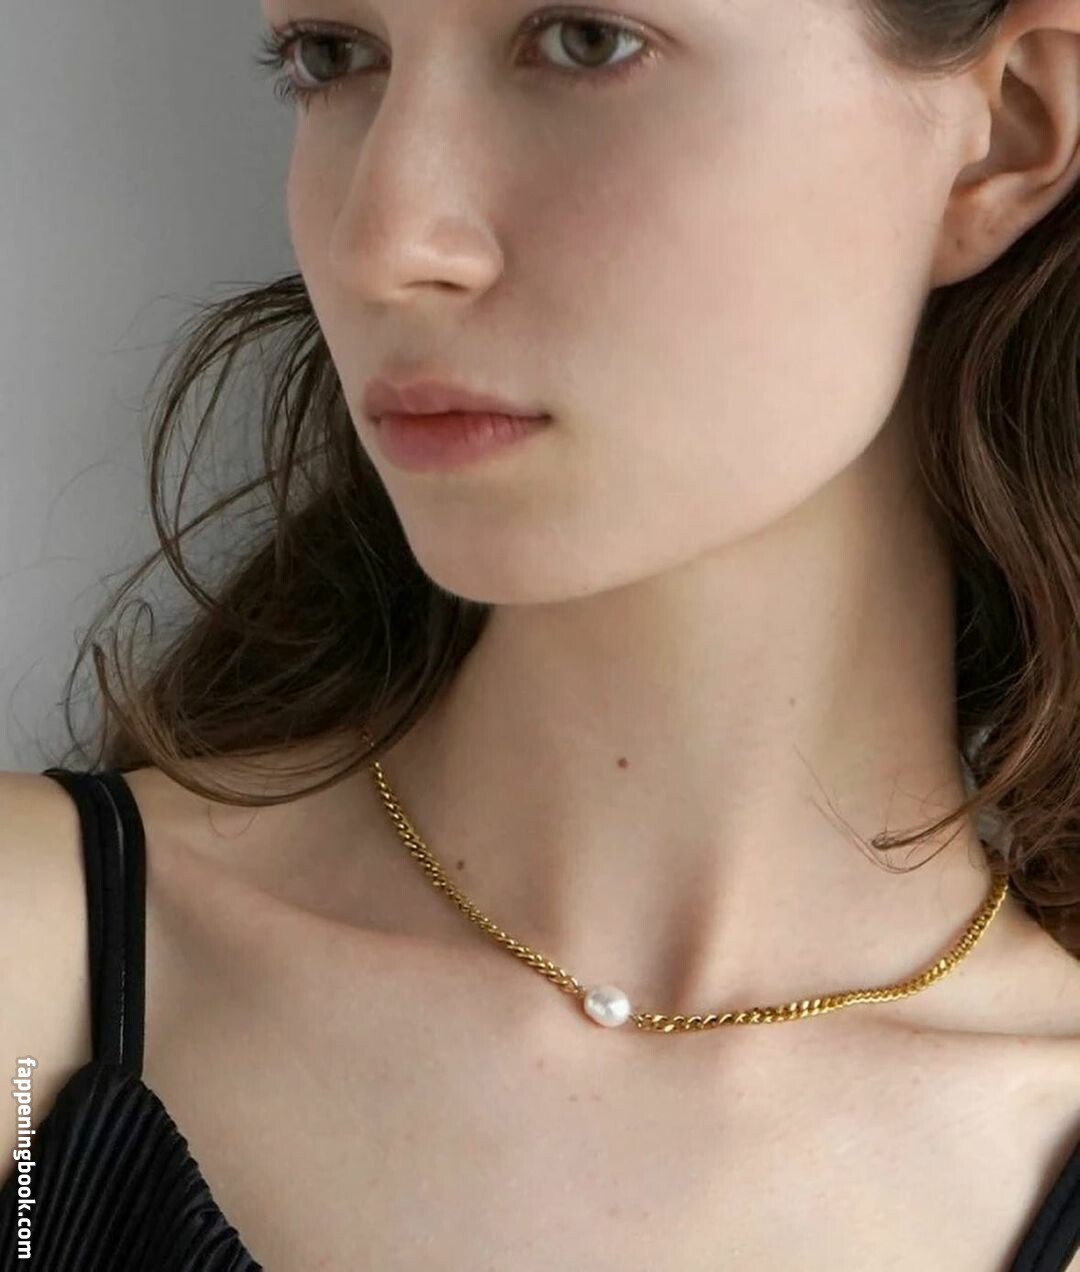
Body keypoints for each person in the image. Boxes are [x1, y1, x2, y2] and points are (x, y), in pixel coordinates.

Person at [3, 0, 1080, 1267]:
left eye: (584, 42)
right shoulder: (36, 966)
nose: (383, 243)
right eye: (333, 56)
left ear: (1011, 131)